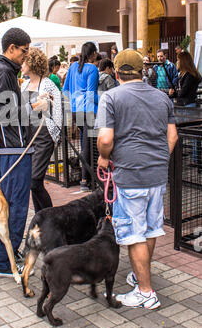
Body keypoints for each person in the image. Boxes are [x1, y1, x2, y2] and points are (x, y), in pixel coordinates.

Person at [95, 48, 178, 309]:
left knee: (133, 234)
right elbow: (172, 137)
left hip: (129, 175)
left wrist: (103, 157)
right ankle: (139, 275)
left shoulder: (111, 97)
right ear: (142, 72)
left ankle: (145, 291)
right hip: (156, 174)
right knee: (150, 229)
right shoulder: (162, 97)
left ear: (117, 72)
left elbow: (106, 138)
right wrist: (160, 159)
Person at [0, 27, 47, 277]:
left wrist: (31, 105)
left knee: (14, 207)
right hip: (13, 150)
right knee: (16, 208)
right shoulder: (4, 72)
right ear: (11, 48)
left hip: (15, 149)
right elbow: (0, 113)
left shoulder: (6, 72)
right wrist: (35, 107)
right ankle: (4, 263)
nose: (26, 56)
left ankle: (8, 257)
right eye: (24, 51)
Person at [21, 48, 62, 212]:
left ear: (32, 63)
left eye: (24, 61)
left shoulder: (48, 84)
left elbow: (57, 111)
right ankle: (42, 217)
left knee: (34, 180)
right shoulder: (23, 84)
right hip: (28, 137)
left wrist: (55, 135)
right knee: (33, 183)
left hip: (44, 137)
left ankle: (49, 216)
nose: (22, 65)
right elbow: (21, 110)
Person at [63, 41, 99, 192]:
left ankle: (86, 178)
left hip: (76, 111)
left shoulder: (72, 67)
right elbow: (91, 93)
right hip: (89, 110)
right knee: (89, 146)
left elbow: (65, 90)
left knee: (85, 143)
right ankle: (86, 179)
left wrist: (74, 102)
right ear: (93, 54)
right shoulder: (92, 69)